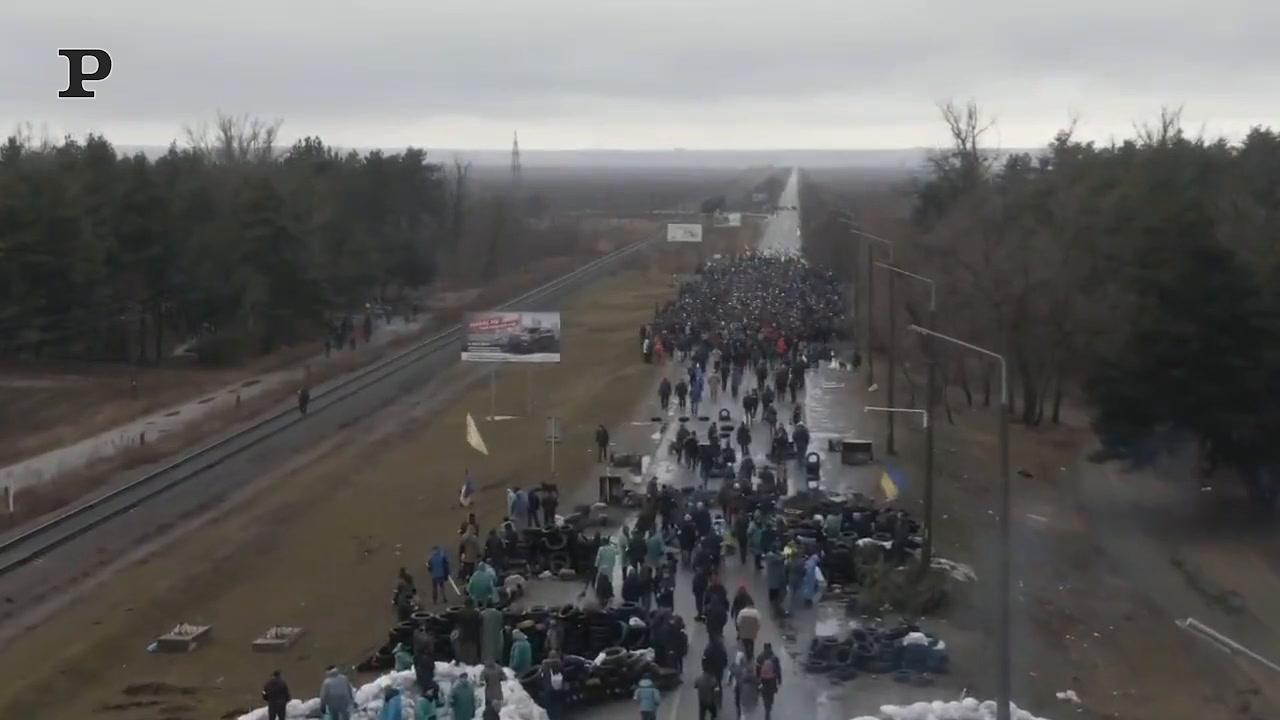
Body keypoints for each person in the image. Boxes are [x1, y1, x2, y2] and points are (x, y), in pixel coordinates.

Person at [730, 651, 760, 719]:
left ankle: (739, 714)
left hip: (739, 689)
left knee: (738, 703)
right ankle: (741, 714)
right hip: (746, 692)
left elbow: (732, 671)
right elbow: (756, 682)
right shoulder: (746, 669)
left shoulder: (737, 668)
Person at [756, 644, 782, 720]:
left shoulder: (760, 657)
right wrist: (779, 680)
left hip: (763, 681)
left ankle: (766, 708)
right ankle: (768, 710)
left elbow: (757, 670)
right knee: (770, 696)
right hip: (772, 681)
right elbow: (778, 670)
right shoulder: (775, 658)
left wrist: (757, 681)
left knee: (764, 695)